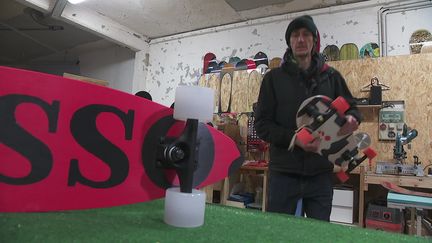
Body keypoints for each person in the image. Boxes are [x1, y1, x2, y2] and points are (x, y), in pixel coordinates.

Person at [254, 15, 361, 221]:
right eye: (295, 35)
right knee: (279, 233)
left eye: (306, 34)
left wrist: (351, 120)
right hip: (283, 173)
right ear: (289, 42)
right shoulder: (273, 79)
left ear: (314, 41)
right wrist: (294, 139)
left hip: (320, 174)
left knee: (318, 235)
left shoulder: (332, 77)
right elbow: (262, 124)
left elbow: (353, 109)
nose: (300, 39)